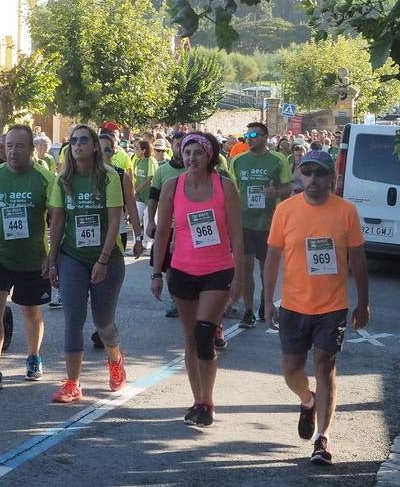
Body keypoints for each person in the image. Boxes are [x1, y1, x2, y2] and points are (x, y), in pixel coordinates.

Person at [263, 149, 370, 465]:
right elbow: (272, 258)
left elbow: (359, 260)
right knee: (291, 371)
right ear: (299, 176)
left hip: (332, 305)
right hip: (294, 304)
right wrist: (267, 302)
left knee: (325, 365)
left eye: (319, 173)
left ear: (331, 179)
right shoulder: (285, 211)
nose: (312, 179)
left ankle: (323, 438)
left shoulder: (345, 212)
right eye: (306, 172)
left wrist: (363, 303)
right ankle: (307, 401)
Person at [150, 132, 243, 426]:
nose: (191, 158)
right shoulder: (171, 186)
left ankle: (209, 400)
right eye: (187, 153)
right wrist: (156, 273)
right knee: (191, 339)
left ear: (209, 157)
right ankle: (198, 400)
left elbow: (237, 236)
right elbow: (163, 232)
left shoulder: (224, 187)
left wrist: (239, 276)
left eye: (198, 153)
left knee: (204, 335)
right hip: (182, 270)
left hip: (217, 270)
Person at [46, 124, 129, 403]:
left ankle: (116, 360)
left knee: (103, 323)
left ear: (94, 146)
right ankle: (72, 382)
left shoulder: (108, 177)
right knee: (73, 320)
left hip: (107, 258)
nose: (77, 145)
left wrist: (103, 260)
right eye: (73, 141)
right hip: (72, 257)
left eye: (84, 140)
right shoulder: (62, 180)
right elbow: (57, 222)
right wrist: (52, 259)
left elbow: (115, 221)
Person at [0, 125, 58, 389]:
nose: (13, 151)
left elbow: (56, 219)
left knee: (31, 311)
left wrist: (52, 256)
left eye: (20, 146)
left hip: (33, 259)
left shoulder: (44, 179)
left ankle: (33, 357)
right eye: (9, 146)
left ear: (32, 150)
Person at [231, 122, 292, 329]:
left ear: (266, 137)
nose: (249, 138)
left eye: (254, 134)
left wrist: (276, 193)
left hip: (269, 223)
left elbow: (288, 188)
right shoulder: (238, 161)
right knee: (245, 267)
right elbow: (232, 190)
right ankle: (248, 310)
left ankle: (266, 302)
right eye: (247, 134)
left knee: (266, 269)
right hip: (244, 222)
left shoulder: (278, 160)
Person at [147, 130, 188, 318]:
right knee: (170, 266)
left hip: (189, 228)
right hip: (168, 227)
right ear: (172, 146)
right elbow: (153, 199)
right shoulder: (162, 170)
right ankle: (174, 300)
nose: (180, 147)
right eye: (177, 144)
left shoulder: (194, 168)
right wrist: (150, 222)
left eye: (184, 144)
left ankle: (189, 298)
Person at [132, 138, 158, 227]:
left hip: (149, 196)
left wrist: (136, 190)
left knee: (147, 218)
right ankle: (137, 240)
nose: (135, 150)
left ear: (143, 150)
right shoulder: (137, 161)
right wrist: (134, 190)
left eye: (137, 148)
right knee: (135, 218)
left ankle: (148, 241)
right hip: (140, 196)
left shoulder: (151, 161)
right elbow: (136, 177)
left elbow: (150, 178)